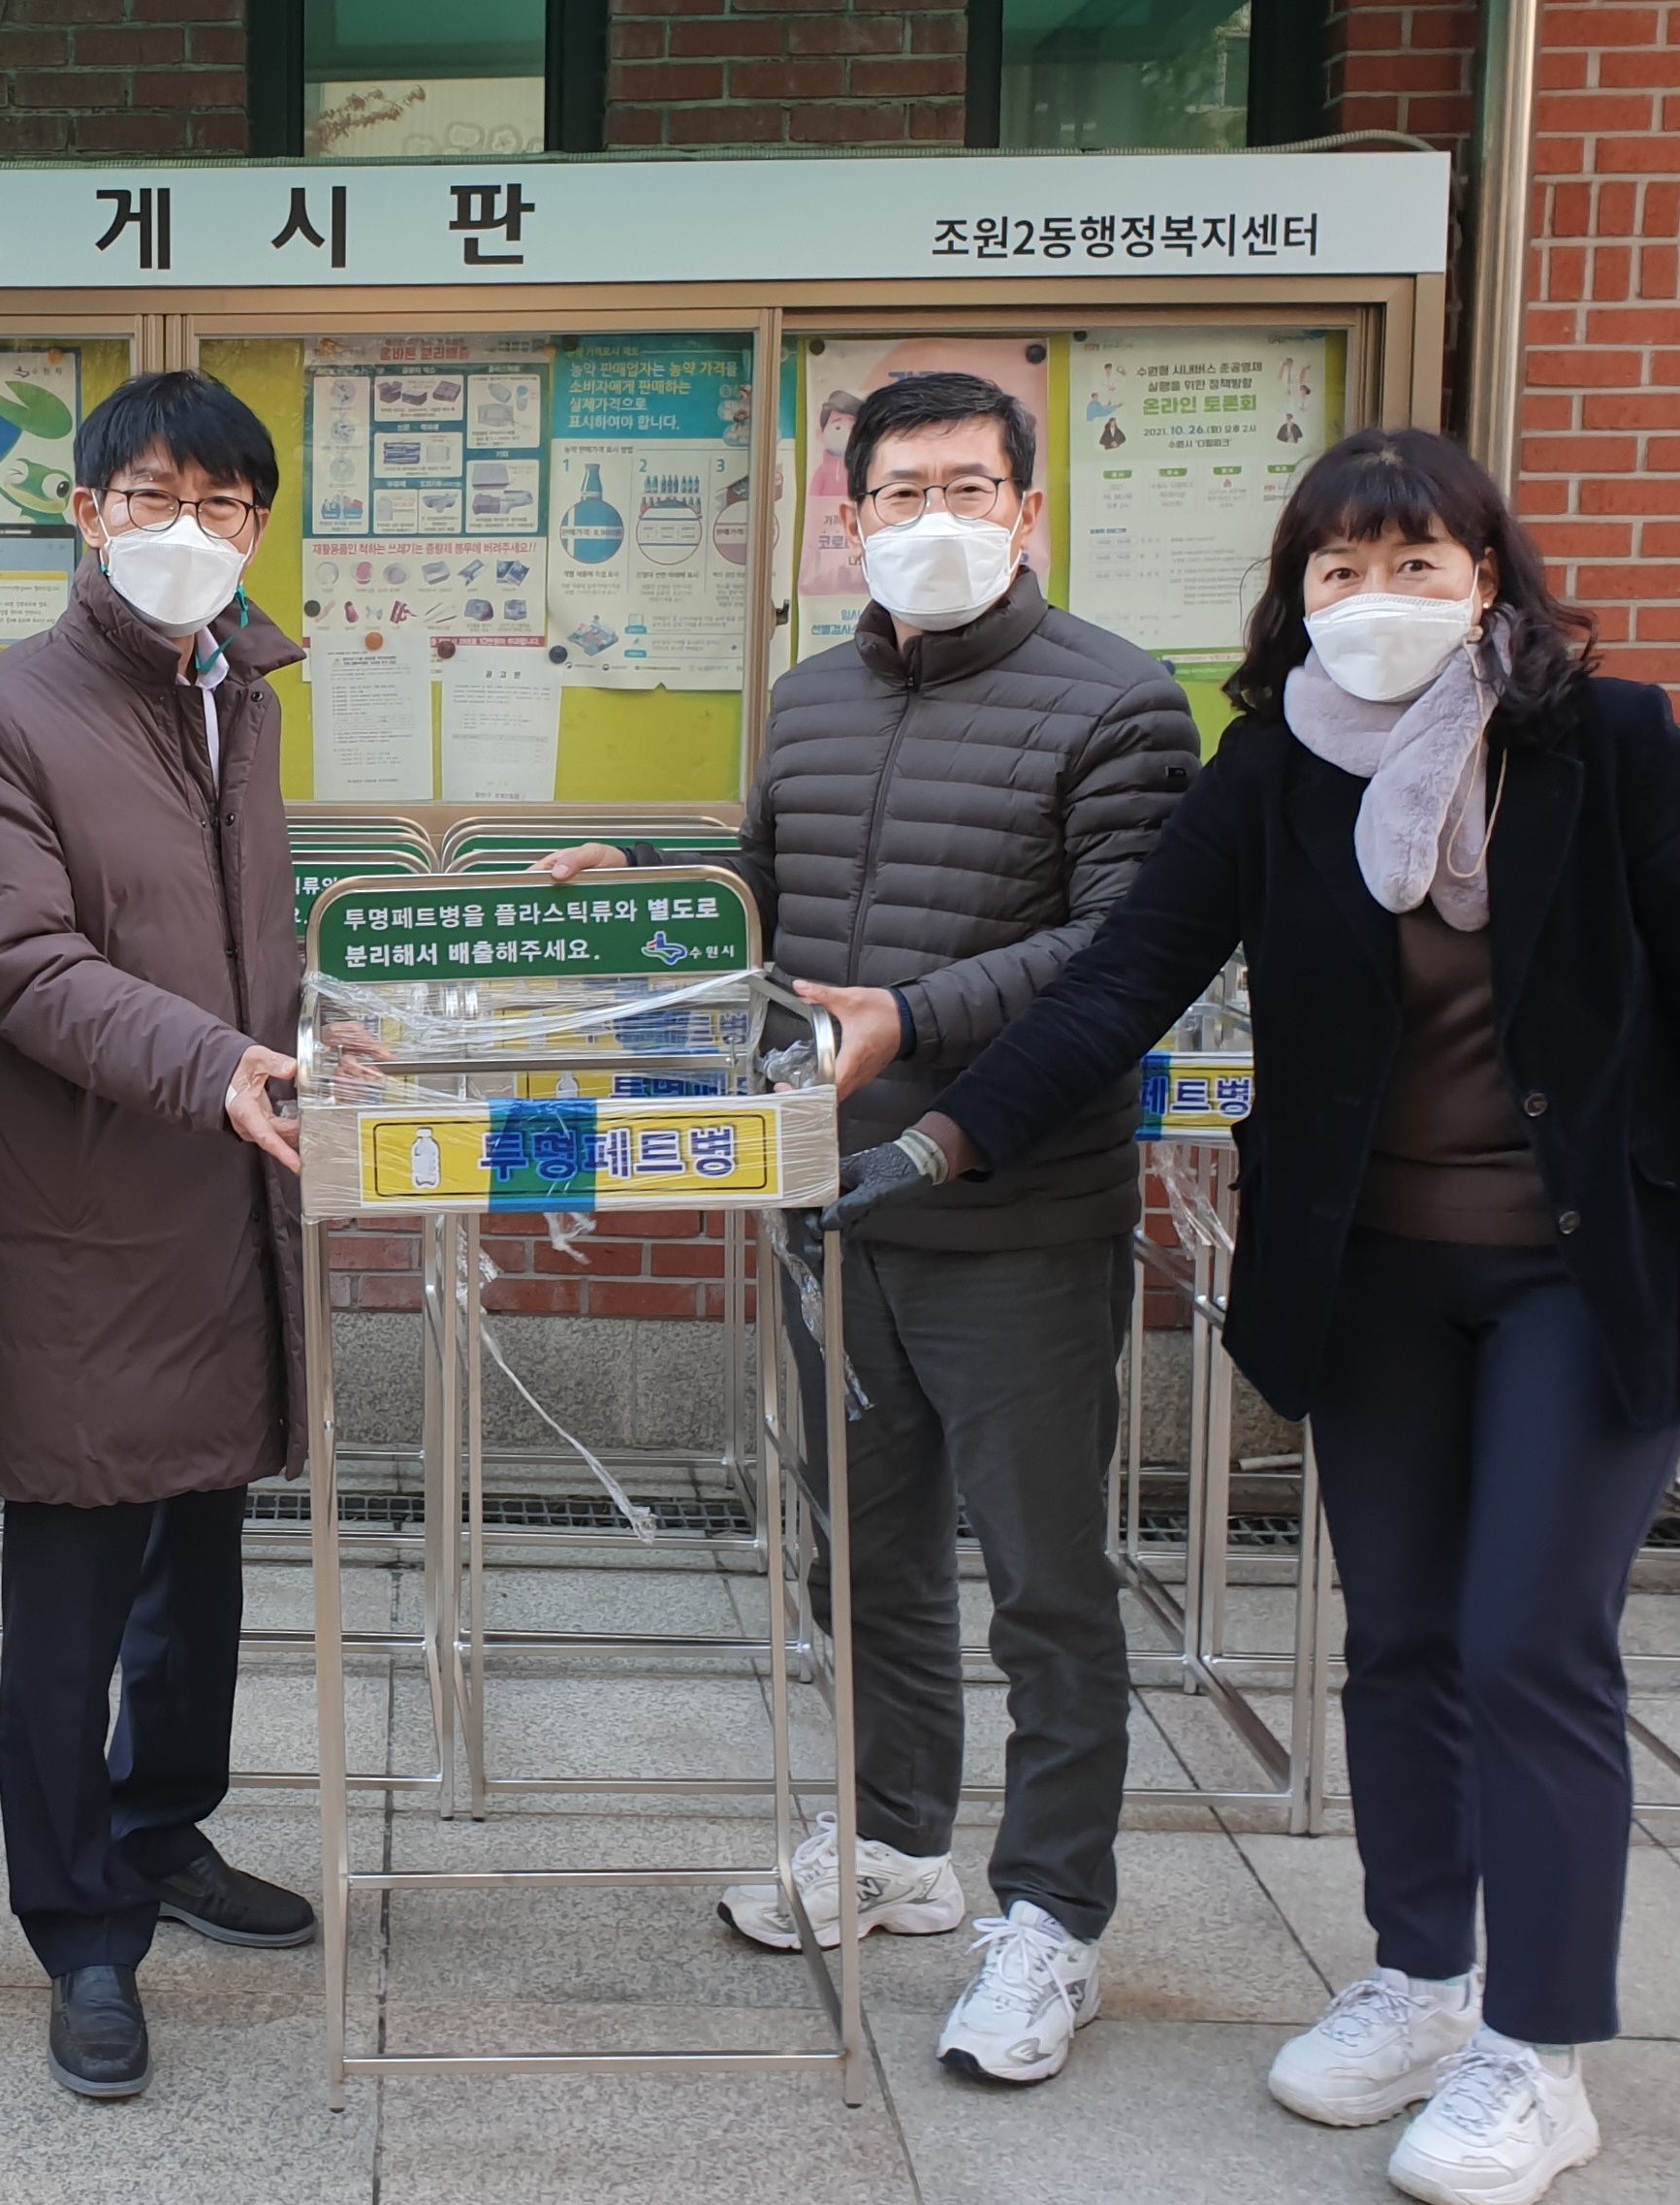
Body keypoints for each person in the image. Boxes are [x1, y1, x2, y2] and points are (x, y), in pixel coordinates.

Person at [824, 426, 1680, 2205]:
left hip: (1587, 1271)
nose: (1374, 601)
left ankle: (1539, 2046)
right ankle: (1423, 1979)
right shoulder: (1275, 770)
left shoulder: (1613, 747)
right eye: (1336, 571)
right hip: (1377, 1275)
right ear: (1294, 597)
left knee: (1528, 1642)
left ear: (1485, 579)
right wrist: (951, 1138)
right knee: (1401, 1639)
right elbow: (1127, 972)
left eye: (1413, 563)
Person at [537, 369, 1198, 2088]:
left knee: (1047, 1586)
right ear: (846, 520)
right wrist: (655, 894)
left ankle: (1050, 1918)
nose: (932, 520)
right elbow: (767, 910)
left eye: (968, 486)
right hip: (833, 1199)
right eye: (897, 492)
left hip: (1018, 1207)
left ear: (1030, 508)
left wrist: (908, 1011)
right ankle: (899, 1839)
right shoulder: (807, 700)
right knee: (864, 1552)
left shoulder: (1120, 705)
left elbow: (1133, 947)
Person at [0, 368, 318, 2104]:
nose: (187, 531)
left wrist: (331, 1024)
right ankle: (79, 1924)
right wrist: (221, 1059)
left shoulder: (246, 693)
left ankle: (164, 1829)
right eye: (150, 495)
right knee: (74, 1586)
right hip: (87, 1203)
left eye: (225, 505)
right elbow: (19, 966)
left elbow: (244, 943)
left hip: (228, 1193)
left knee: (201, 1571)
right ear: (83, 514)